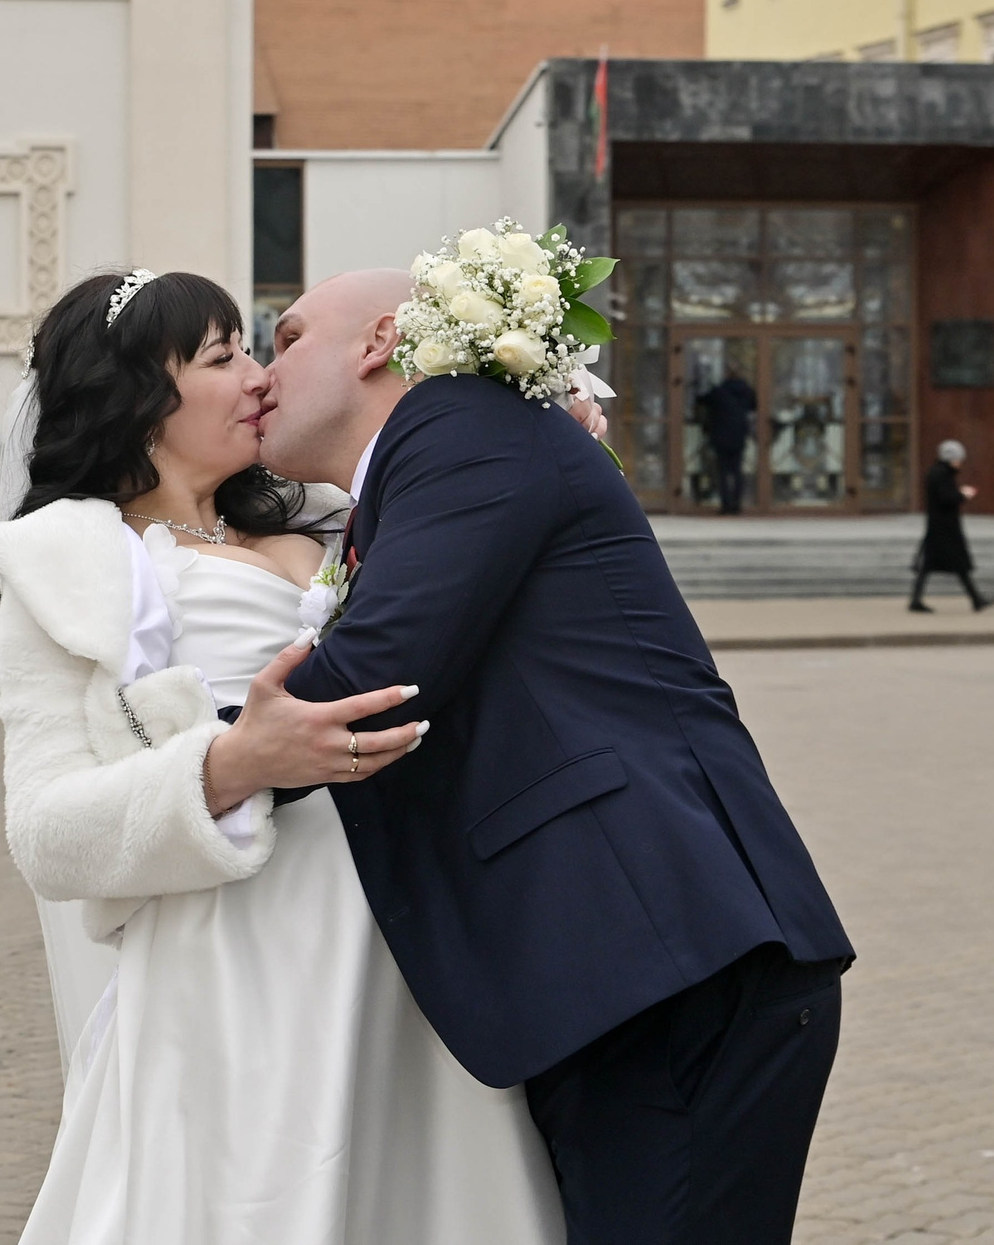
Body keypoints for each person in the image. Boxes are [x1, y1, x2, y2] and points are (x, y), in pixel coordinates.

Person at [257, 270, 853, 1245]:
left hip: (672, 962)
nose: (261, 373)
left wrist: (192, 764)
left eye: (283, 338)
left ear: (378, 339)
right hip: (625, 971)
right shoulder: (432, 466)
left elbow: (375, 677)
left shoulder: (456, 425)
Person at [0, 268, 564, 1245]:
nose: (260, 376)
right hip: (247, 959)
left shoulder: (330, 517)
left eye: (258, 347)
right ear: (137, 394)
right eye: (224, 356)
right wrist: (231, 764)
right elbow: (48, 834)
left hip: (409, 924)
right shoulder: (71, 568)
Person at [911, 439, 994, 614]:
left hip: (938, 526)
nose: (960, 462)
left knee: (930, 566)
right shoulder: (942, 474)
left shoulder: (938, 472)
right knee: (959, 565)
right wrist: (963, 495)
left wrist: (958, 494)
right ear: (951, 458)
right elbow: (946, 499)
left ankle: (916, 600)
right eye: (958, 459)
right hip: (945, 527)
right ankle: (977, 600)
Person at [698, 368, 759, 514]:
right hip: (739, 436)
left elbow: (702, 400)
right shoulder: (746, 391)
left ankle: (726, 505)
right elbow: (755, 405)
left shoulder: (720, 391)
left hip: (721, 436)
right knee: (737, 471)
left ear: (726, 375)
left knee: (723, 472)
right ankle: (737, 504)